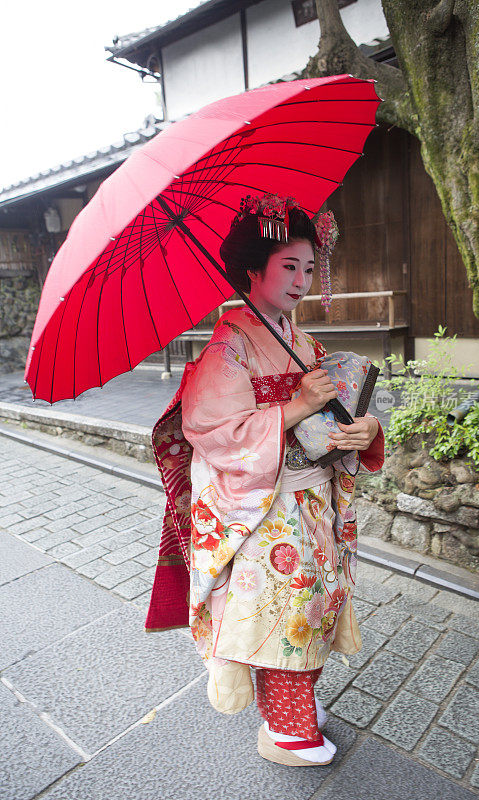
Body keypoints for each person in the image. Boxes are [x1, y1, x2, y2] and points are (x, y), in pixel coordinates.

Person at [144, 193, 385, 767]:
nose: (301, 281)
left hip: (310, 497)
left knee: (318, 599)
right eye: (288, 267)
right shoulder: (229, 342)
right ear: (252, 270)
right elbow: (210, 428)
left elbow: (336, 409)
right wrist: (298, 407)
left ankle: (294, 710)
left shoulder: (299, 339)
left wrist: (362, 429)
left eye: (308, 267)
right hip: (262, 506)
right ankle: (287, 731)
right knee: (285, 607)